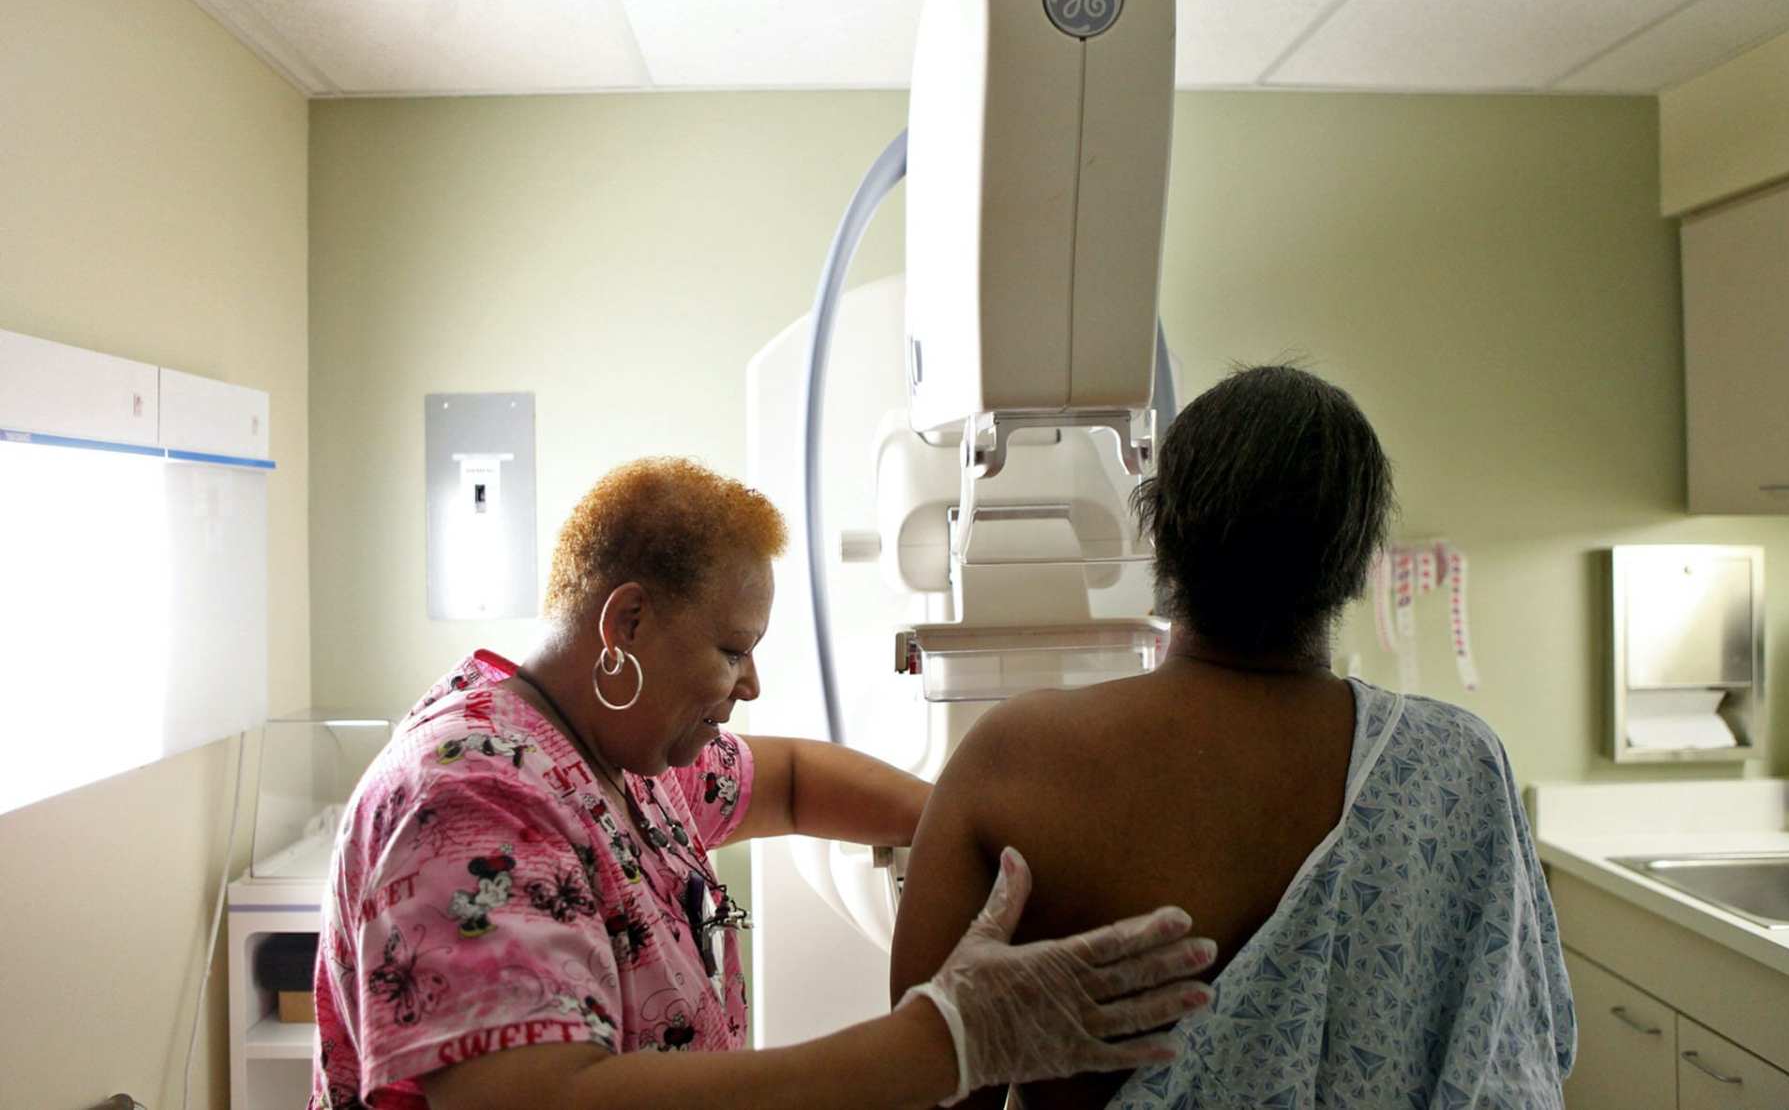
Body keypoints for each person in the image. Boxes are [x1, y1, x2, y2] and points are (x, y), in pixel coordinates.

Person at [311, 456, 1216, 1110]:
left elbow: (787, 780)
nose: (751, 685)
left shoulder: (619, 753)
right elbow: (541, 1100)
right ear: (626, 620)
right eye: (732, 650)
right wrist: (943, 1042)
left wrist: (969, 831)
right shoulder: (470, 800)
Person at [890, 365, 1577, 1108]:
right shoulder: (1457, 769)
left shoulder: (1015, 760)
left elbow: (918, 1088)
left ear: (1160, 527)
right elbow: (1524, 1056)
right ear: (1355, 560)